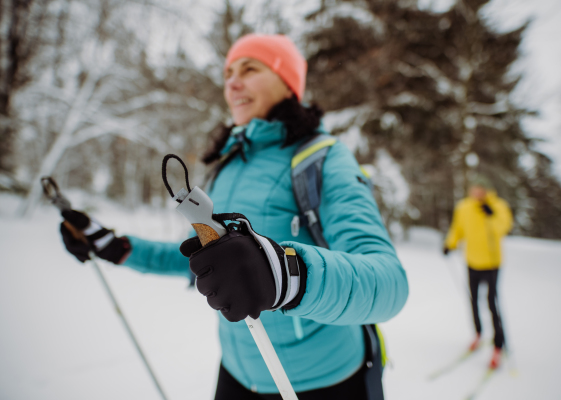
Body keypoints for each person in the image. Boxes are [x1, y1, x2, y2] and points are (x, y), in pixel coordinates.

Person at [59, 34, 409, 399]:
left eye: (249, 68)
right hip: (238, 375)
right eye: (228, 73)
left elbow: (389, 283)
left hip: (323, 379)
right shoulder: (226, 165)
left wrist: (285, 274)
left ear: (288, 82)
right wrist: (116, 247)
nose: (233, 82)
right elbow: (209, 262)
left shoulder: (323, 158)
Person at [443, 177, 513, 369]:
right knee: (473, 300)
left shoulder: (498, 206)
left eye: (481, 189)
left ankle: (499, 343)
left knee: (491, 301)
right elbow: (457, 229)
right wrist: (450, 244)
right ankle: (479, 333)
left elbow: (504, 227)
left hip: (492, 263)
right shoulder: (464, 207)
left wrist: (491, 215)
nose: (477, 192)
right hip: (472, 261)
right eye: (474, 189)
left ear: (487, 190)